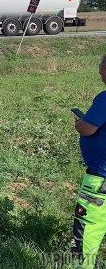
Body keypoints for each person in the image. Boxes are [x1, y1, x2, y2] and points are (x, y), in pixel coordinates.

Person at [70, 54, 106, 268]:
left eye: (101, 68)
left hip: (100, 180)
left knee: (85, 238)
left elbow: (86, 128)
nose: (99, 72)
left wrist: (80, 122)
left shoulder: (105, 98)